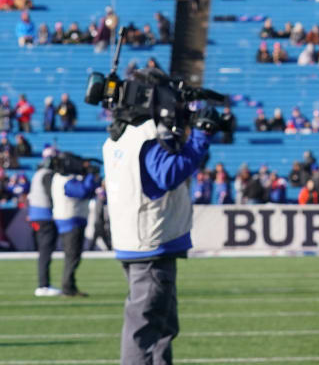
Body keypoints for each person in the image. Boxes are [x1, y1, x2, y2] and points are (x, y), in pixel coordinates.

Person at [103, 98, 215, 365]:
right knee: (144, 331)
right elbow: (168, 174)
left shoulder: (121, 136)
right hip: (150, 245)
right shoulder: (146, 138)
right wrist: (200, 137)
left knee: (162, 327)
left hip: (137, 240)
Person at [53, 155, 99, 297]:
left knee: (73, 256)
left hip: (72, 220)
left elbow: (89, 191)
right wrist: (90, 175)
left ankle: (69, 285)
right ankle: (67, 287)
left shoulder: (63, 179)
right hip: (70, 221)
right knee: (72, 256)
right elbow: (84, 191)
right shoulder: (65, 180)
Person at [29, 154, 60, 296]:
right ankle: (43, 285)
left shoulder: (37, 174)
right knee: (46, 252)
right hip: (45, 216)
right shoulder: (47, 175)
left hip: (36, 215)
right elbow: (51, 194)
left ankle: (43, 284)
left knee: (43, 251)